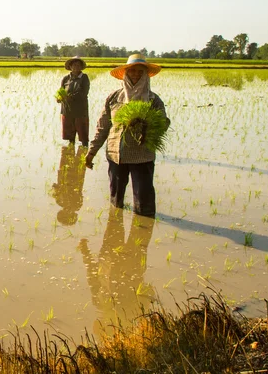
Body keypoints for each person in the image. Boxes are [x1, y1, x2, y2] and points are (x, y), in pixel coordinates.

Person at [85, 54, 169, 218]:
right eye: (132, 71)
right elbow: (102, 126)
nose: (136, 75)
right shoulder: (114, 97)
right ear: (125, 74)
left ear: (146, 75)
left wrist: (148, 122)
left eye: (140, 72)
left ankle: (144, 231)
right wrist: (91, 151)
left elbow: (163, 125)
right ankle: (115, 226)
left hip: (142, 156)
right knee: (116, 201)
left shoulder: (153, 100)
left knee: (144, 200)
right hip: (116, 155)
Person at [79, 208, 155, 336]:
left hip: (113, 260)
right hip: (129, 264)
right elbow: (148, 293)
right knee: (136, 225)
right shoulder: (133, 314)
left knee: (116, 220)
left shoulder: (101, 303)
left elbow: (92, 275)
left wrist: (85, 252)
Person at [57, 56, 90, 146]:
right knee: (70, 137)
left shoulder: (84, 78)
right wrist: (59, 98)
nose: (76, 67)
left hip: (80, 110)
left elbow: (83, 93)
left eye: (78, 65)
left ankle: (85, 153)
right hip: (67, 110)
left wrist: (69, 97)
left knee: (83, 137)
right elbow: (61, 91)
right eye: (74, 65)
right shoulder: (66, 78)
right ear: (70, 67)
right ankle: (70, 153)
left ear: (81, 67)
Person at [51, 145, 87, 225]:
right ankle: (79, 146)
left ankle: (74, 146)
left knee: (68, 158)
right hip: (75, 179)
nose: (66, 211)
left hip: (67, 178)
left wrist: (55, 188)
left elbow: (56, 189)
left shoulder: (61, 202)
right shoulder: (73, 205)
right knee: (78, 159)